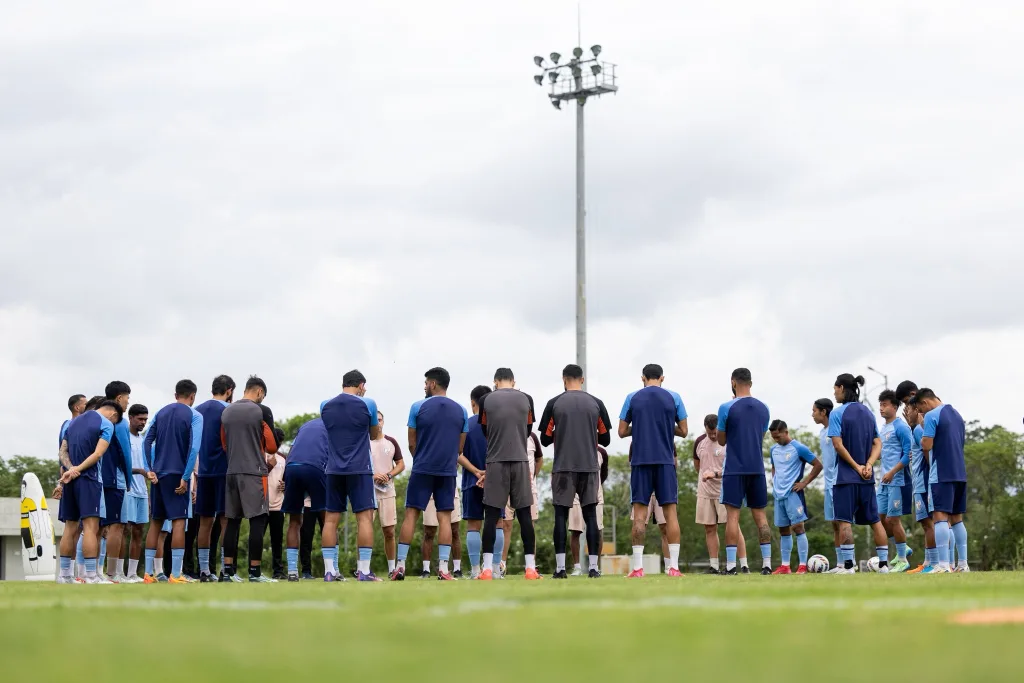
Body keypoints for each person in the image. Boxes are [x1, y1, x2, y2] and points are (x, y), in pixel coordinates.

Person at [393, 367, 468, 581]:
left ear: (433, 384)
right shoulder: (461, 410)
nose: (425, 386)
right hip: (447, 471)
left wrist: (421, 458)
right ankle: (443, 569)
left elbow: (411, 442)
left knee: (411, 515)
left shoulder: (417, 407)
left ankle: (400, 566)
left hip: (422, 468)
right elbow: (460, 448)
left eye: (426, 383)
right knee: (444, 518)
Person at [541, 364, 611, 580]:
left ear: (564, 379)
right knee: (591, 517)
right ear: (582, 379)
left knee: (561, 517)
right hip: (589, 467)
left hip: (563, 467)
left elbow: (544, 439)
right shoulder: (596, 403)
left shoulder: (554, 403)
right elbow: (606, 439)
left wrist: (560, 434)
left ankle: (561, 568)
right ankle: (593, 568)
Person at [619, 364, 687, 578]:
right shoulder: (674, 397)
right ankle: (674, 568)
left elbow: (621, 431)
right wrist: (666, 426)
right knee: (670, 514)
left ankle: (638, 569)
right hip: (666, 462)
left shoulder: (632, 397)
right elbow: (684, 431)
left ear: (643, 378)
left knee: (639, 515)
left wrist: (639, 426)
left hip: (640, 461)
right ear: (662, 378)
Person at [473, 368, 538, 580]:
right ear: (513, 381)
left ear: (495, 381)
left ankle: (487, 570)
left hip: (495, 461)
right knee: (525, 516)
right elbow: (527, 430)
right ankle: (530, 569)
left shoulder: (485, 400)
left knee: (491, 516)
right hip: (520, 460)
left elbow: (485, 429)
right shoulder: (527, 399)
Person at [320, 370, 380, 582]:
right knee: (364, 519)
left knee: (330, 520)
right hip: (360, 468)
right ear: (361, 385)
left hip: (334, 468)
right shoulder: (368, 404)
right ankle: (363, 571)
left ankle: (329, 571)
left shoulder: (324, 405)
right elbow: (374, 434)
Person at [828, 374, 890, 574]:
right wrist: (869, 465)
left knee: (844, 521)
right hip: (867, 477)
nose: (834, 392)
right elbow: (877, 443)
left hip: (845, 477)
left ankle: (848, 566)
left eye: (835, 388)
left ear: (842, 388)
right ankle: (884, 565)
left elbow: (838, 444)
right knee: (874, 520)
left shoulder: (837, 414)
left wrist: (856, 466)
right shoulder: (868, 413)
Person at [143, 380, 203, 584]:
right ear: (192, 396)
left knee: (156, 523)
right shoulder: (195, 415)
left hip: (158, 475)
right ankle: (175, 575)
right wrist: (186, 477)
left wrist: (150, 469)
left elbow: (146, 440)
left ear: (175, 393)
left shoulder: (161, 412)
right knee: (179, 522)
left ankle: (148, 574)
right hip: (178, 474)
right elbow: (194, 449)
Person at [56, 400, 122, 583]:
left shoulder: (73, 422)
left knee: (70, 527)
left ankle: (65, 575)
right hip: (90, 479)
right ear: (113, 415)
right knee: (91, 528)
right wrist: (78, 470)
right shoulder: (107, 423)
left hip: (70, 480)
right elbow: (98, 454)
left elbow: (63, 452)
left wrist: (70, 470)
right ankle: (91, 575)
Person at [221, 376, 279, 583]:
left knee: (232, 521)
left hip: (231, 471)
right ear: (260, 392)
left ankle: (227, 571)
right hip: (254, 472)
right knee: (258, 520)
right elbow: (272, 446)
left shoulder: (226, 411)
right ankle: (254, 572)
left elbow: (224, 443)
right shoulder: (260, 411)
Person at [716, 368, 773, 575]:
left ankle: (731, 567)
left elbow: (721, 440)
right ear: (751, 382)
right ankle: (767, 564)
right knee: (761, 517)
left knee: (733, 517)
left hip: (734, 468)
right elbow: (761, 435)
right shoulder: (764, 408)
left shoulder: (726, 407)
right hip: (757, 468)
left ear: (733, 382)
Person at [911, 388, 969, 573]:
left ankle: (943, 564)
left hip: (941, 472)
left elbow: (926, 445)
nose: (922, 413)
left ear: (924, 403)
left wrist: (921, 425)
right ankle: (963, 564)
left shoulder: (931, 416)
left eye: (921, 409)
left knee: (939, 517)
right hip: (959, 472)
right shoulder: (957, 415)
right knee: (957, 519)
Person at [693, 415, 747, 574]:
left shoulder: (729, 441)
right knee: (709, 528)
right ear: (705, 428)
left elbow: (735, 467)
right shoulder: (699, 442)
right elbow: (698, 466)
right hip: (705, 491)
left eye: (715, 432)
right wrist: (705, 475)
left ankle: (743, 564)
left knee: (733, 526)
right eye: (710, 433)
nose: (712, 436)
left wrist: (715, 474)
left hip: (726, 489)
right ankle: (714, 565)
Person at [195, 375, 235, 582]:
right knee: (226, 520)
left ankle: (203, 570)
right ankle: (225, 570)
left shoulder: (198, 410)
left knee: (205, 522)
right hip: (224, 470)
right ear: (229, 390)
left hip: (203, 471)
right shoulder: (229, 410)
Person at [768, 420, 822, 574]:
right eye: (773, 437)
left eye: (778, 436)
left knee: (798, 527)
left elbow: (818, 465)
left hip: (793, 494)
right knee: (783, 529)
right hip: (778, 495)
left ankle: (803, 566)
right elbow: (774, 467)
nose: (776, 440)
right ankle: (785, 566)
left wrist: (804, 483)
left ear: (785, 432)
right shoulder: (773, 450)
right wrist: (775, 481)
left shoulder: (799, 448)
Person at [283, 417, 329, 581]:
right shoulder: (335, 424)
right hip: (314, 467)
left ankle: (292, 571)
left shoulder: (306, 425)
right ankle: (332, 570)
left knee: (294, 521)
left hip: (291, 467)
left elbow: (292, 449)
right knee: (328, 520)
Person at [458, 385, 495, 579]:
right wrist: (488, 473)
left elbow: (457, 453)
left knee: (473, 525)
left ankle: (474, 571)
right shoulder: (497, 424)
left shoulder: (466, 425)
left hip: (470, 481)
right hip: (496, 480)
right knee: (496, 523)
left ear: (473, 402)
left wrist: (476, 472)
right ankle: (495, 569)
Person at [98, 381, 133, 581]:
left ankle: (92, 571)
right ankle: (112, 573)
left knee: (96, 525)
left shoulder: (96, 416)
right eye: (127, 397)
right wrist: (128, 479)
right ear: (119, 398)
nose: (128, 402)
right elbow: (125, 454)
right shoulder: (119, 421)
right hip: (115, 479)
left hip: (98, 477)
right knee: (116, 525)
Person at [877, 389, 913, 572]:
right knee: (879, 517)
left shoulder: (901, 427)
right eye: (880, 405)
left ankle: (902, 559)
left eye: (884, 405)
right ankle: (903, 547)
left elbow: (909, 455)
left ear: (895, 406)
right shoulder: (883, 428)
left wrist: (892, 472)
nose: (881, 408)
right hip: (883, 481)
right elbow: (881, 452)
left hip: (897, 480)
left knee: (893, 519)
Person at [499, 429, 543, 576]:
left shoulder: (533, 437)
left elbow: (539, 459)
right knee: (506, 525)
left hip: (528, 488)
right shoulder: (504, 433)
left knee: (529, 525)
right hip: (506, 488)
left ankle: (531, 566)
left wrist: (533, 476)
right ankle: (501, 565)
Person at [369, 411, 405, 576]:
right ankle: (363, 567)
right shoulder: (363, 442)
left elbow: (401, 464)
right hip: (368, 492)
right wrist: (373, 475)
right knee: (365, 529)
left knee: (389, 531)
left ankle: (392, 569)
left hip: (388, 492)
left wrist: (389, 475)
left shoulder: (391, 442)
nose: (378, 423)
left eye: (380, 419)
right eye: (375, 420)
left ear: (384, 421)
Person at [902, 400, 936, 574]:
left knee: (928, 523)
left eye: (908, 409)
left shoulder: (917, 430)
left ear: (917, 410)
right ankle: (927, 562)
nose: (906, 413)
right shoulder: (913, 429)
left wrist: (931, 474)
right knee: (925, 524)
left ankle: (934, 563)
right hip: (918, 483)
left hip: (923, 483)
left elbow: (926, 450)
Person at [812, 398, 844, 573]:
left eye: (814, 411)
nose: (812, 414)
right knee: (833, 523)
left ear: (823, 412)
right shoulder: (822, 432)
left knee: (842, 522)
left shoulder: (837, 429)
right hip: (827, 483)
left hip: (839, 481)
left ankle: (849, 562)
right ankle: (840, 564)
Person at [120, 404, 150, 582]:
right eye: (140, 419)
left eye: (145, 419)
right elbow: (121, 465)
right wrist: (139, 471)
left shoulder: (144, 439)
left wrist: (149, 473)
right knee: (124, 530)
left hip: (142, 491)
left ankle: (132, 573)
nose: (143, 423)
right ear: (130, 418)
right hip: (128, 489)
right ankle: (119, 572)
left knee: (139, 532)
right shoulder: (125, 437)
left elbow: (147, 465)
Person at [569, 445, 608, 575]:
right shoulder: (572, 449)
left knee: (598, 530)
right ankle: (577, 567)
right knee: (575, 530)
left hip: (595, 493)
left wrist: (593, 486)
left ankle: (594, 565)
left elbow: (603, 474)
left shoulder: (601, 452)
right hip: (574, 494)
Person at [422, 488, 462, 577]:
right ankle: (425, 570)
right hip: (430, 495)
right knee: (429, 533)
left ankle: (457, 569)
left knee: (454, 531)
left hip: (451, 492)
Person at [267, 432, 287, 580]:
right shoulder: (259, 454)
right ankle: (253, 570)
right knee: (257, 538)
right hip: (260, 505)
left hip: (278, 506)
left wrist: (286, 485)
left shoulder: (284, 458)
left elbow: (287, 479)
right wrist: (269, 466)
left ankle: (278, 571)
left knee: (277, 540)